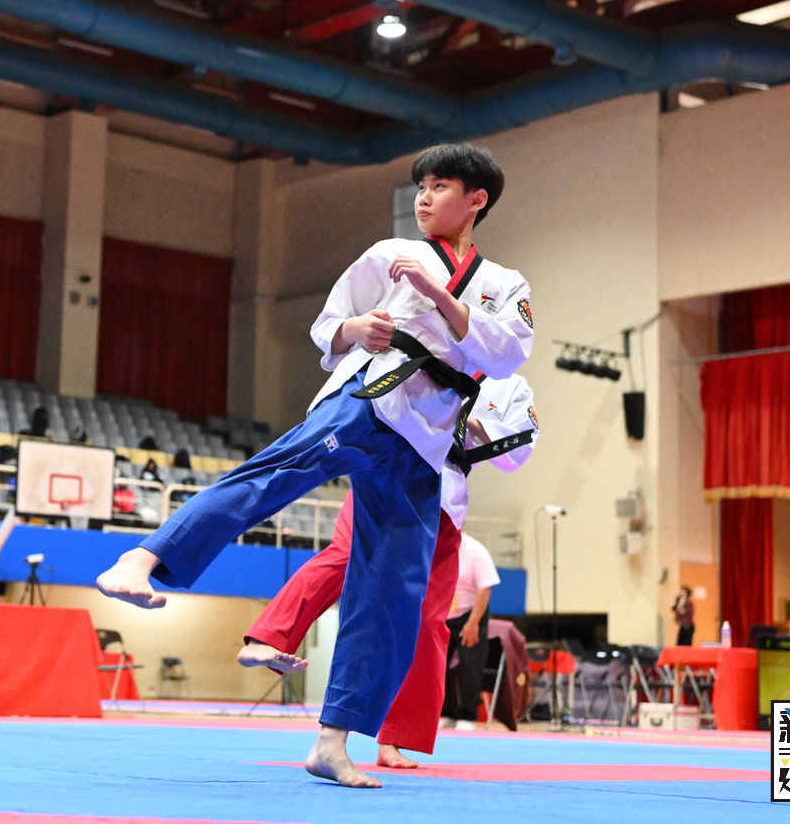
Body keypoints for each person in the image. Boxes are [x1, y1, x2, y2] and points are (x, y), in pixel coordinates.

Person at [97, 142, 532, 788]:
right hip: (369, 399)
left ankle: (333, 741)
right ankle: (142, 559)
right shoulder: (389, 254)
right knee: (272, 475)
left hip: (425, 444)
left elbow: (506, 356)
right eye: (420, 186)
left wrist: (436, 294)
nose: (423, 197)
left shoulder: (505, 284)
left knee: (393, 592)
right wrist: (356, 330)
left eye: (439, 186)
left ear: (477, 199)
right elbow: (328, 325)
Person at [238, 373, 536, 768]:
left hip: (446, 499)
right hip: (387, 471)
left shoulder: (512, 386)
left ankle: (396, 737)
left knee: (428, 619)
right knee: (344, 556)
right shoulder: (433, 352)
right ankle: (268, 637)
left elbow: (519, 451)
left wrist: (467, 423)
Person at [440, 533, 501, 730]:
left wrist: (473, 622)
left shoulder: (476, 551)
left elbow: (485, 588)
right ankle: (444, 712)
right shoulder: (435, 545)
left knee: (470, 666)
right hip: (442, 613)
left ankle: (468, 715)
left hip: (471, 614)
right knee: (438, 666)